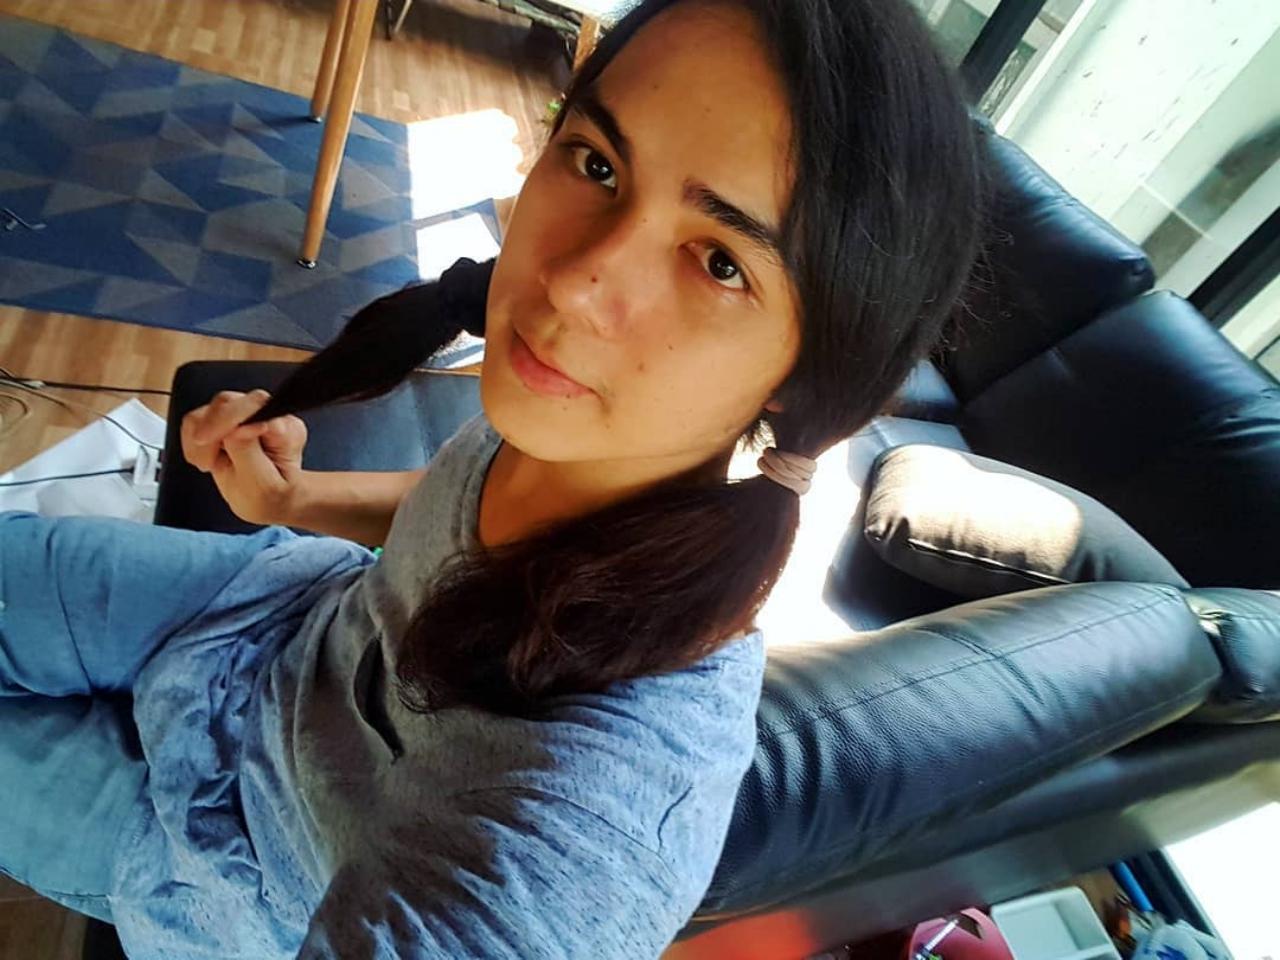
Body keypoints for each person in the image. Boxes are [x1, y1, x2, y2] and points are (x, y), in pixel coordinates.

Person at [0, 0, 988, 955]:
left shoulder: (615, 797)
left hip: (228, 863)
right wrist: (292, 502)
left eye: (719, 261)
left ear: (805, 376)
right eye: (597, 163)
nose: (570, 282)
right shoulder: (568, 426)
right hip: (264, 622)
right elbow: (454, 515)